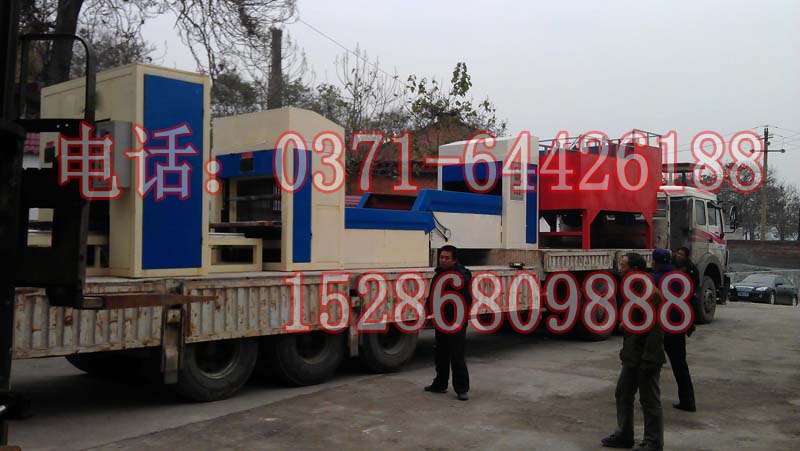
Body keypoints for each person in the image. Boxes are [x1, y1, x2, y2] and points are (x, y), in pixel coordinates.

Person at [602, 253, 665, 451]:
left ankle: (653, 442)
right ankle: (624, 435)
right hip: (632, 355)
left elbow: (656, 330)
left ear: (635, 269)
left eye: (623, 266)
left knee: (649, 400)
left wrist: (649, 359)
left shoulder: (650, 293)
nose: (620, 269)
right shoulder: (633, 291)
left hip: (646, 357)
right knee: (623, 394)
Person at [424, 245, 473, 401]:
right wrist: (426, 311)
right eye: (441, 257)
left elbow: (467, 296)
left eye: (447, 258)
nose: (443, 260)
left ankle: (462, 389)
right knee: (440, 354)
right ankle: (440, 384)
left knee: (456, 355)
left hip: (456, 321)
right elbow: (432, 296)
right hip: (441, 321)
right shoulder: (438, 275)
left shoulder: (462, 275)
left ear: (454, 260)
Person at [667, 246, 698, 412]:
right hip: (676, 323)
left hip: (676, 323)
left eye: (681, 254)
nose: (678, 256)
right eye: (677, 253)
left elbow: (691, 296)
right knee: (679, 364)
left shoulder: (689, 271)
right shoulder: (674, 270)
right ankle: (687, 400)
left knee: (679, 364)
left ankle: (687, 400)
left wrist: (689, 322)